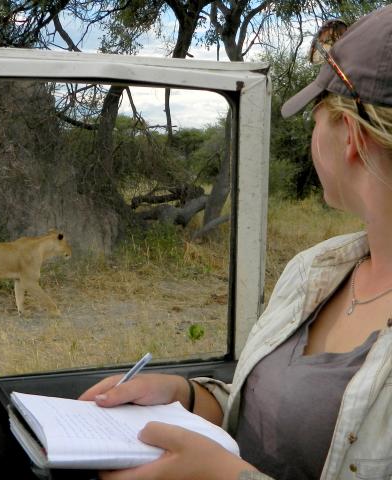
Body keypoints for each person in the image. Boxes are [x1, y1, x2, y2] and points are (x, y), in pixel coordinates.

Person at [79, 5, 392, 479]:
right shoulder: (317, 269)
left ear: (348, 134)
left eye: (315, 114)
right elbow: (273, 417)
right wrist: (187, 397)